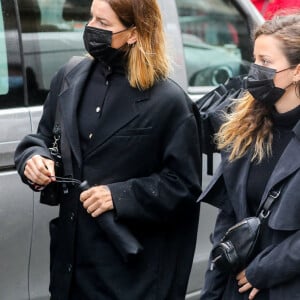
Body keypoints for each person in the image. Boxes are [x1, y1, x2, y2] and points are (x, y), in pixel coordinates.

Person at [14, 0, 202, 299]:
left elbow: (184, 186)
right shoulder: (70, 76)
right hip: (70, 267)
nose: (90, 28)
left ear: (134, 33)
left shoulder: (169, 101)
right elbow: (43, 137)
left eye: (103, 23)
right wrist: (34, 159)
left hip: (128, 272)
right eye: (91, 18)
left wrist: (118, 195)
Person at [198, 12, 300, 300]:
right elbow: (226, 221)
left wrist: (263, 271)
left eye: (266, 62)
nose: (255, 70)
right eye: (255, 59)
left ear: (297, 71)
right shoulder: (245, 127)